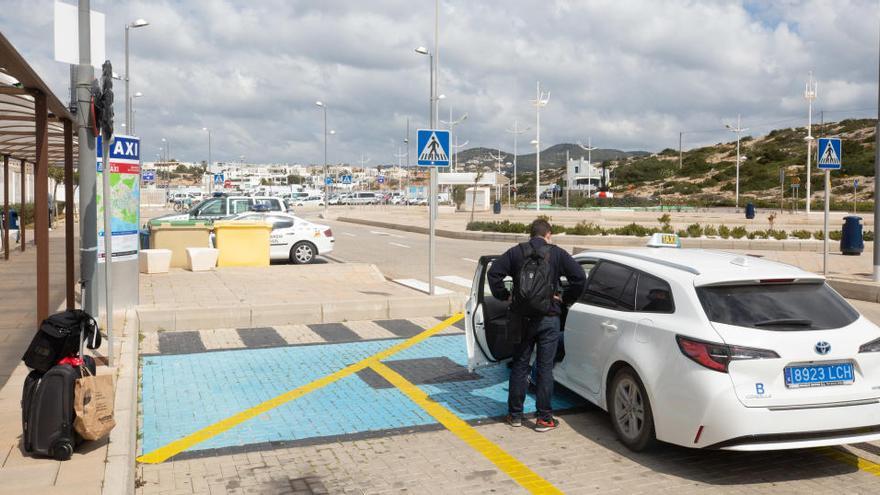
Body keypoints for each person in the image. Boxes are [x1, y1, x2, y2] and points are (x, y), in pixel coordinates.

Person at [488, 218, 587, 432]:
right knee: (544, 368)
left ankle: (515, 415)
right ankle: (544, 419)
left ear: (530, 234)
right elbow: (579, 277)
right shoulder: (557, 253)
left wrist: (505, 295)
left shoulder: (516, 252)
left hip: (521, 318)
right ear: (548, 234)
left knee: (520, 365)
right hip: (548, 318)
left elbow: (493, 273)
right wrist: (565, 298)